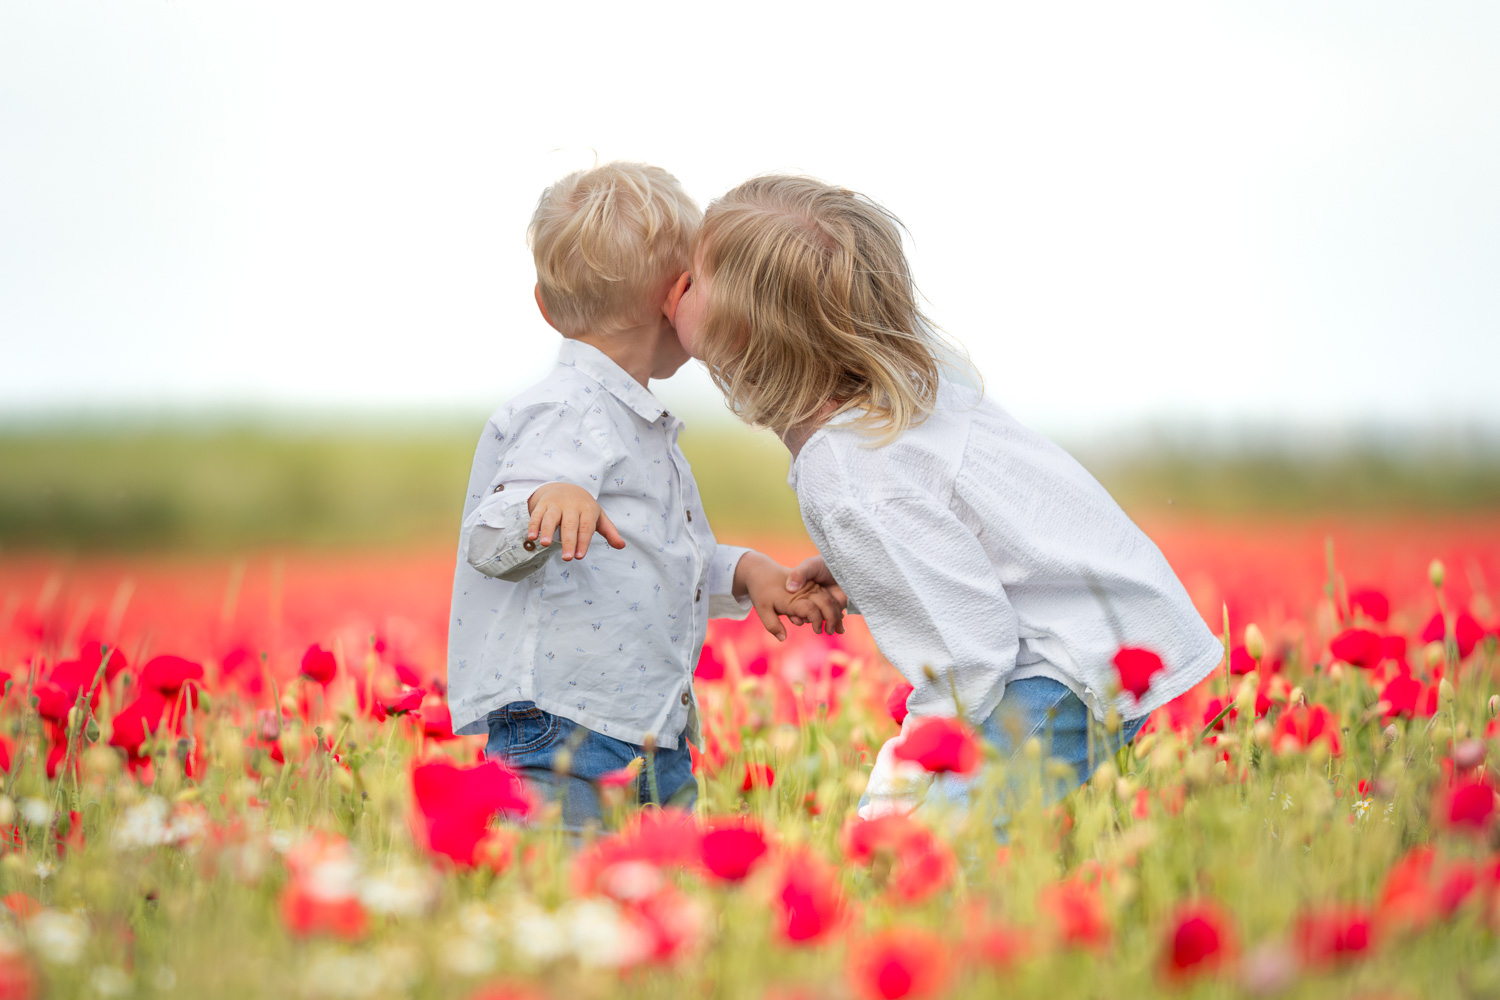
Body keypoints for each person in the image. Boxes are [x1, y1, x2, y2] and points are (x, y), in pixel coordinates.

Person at [665, 174, 1224, 823]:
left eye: (695, 277)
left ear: (744, 336)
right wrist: (867, 567)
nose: (677, 282)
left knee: (915, 845)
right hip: (1103, 635)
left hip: (1063, 668)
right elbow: (951, 527)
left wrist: (905, 778)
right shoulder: (898, 404)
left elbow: (972, 658)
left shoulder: (846, 470)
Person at [447, 163, 842, 830]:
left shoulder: (632, 421)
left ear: (543, 304)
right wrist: (548, 501)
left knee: (652, 893)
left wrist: (749, 573)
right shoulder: (566, 411)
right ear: (679, 295)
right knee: (566, 894)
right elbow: (491, 536)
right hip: (565, 727)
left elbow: (657, 556)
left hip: (645, 724)